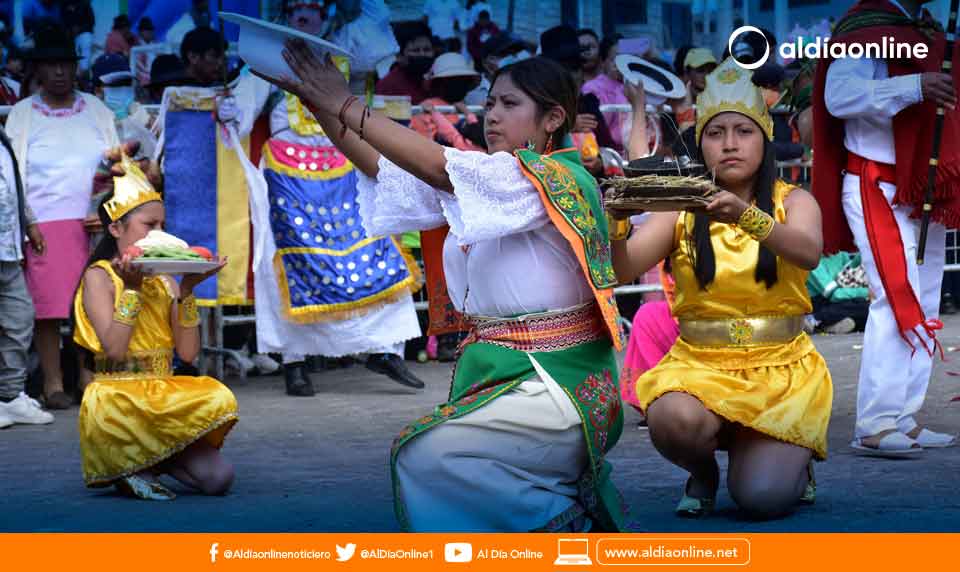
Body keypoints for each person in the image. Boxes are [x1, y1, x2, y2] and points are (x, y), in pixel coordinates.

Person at [260, 44, 628, 531]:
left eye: (509, 104)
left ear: (553, 118)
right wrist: (319, 101)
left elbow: (438, 167)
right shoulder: (497, 182)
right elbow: (383, 167)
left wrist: (343, 102)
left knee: (428, 457)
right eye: (490, 102)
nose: (492, 115)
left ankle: (568, 526)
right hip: (515, 375)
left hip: (556, 383)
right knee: (434, 461)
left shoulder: (550, 176)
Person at [612, 58, 831, 519]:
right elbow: (624, 267)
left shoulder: (795, 201)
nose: (730, 144)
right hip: (701, 367)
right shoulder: (683, 208)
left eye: (743, 131)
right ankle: (703, 471)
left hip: (779, 371)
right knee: (670, 418)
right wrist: (617, 223)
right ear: (701, 143)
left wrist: (745, 216)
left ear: (764, 138)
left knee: (760, 501)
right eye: (716, 133)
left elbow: (809, 252)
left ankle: (790, 456)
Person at [228, 0, 426, 396]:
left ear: (327, 12)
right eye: (296, 5)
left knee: (375, 249)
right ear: (285, 13)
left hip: (345, 169)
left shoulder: (347, 48)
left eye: (314, 5)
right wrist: (227, 106)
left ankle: (384, 349)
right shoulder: (270, 56)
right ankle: (294, 360)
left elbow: (378, 24)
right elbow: (240, 109)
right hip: (288, 175)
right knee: (289, 263)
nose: (304, 13)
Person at [814, 0, 958, 456]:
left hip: (921, 182)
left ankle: (903, 416)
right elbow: (839, 97)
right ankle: (875, 423)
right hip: (875, 181)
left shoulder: (925, 28)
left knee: (925, 296)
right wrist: (915, 85)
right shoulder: (865, 26)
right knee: (897, 295)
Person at [73, 152, 237, 500]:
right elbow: (115, 350)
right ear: (116, 228)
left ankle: (153, 459)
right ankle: (133, 462)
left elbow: (188, 354)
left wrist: (188, 290)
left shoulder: (165, 280)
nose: (159, 234)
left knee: (219, 479)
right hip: (119, 403)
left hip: (161, 399)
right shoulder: (99, 277)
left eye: (162, 226)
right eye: (149, 226)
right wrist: (132, 290)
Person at [6, 25, 120, 410]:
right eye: (51, 65)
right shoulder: (23, 114)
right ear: (38, 70)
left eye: (65, 64)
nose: (59, 72)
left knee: (92, 303)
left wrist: (106, 209)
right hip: (42, 224)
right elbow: (12, 172)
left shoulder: (98, 111)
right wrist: (28, 222)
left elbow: (116, 163)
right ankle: (53, 383)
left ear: (75, 68)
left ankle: (88, 378)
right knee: (48, 309)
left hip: (92, 222)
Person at [0, 113, 52, 428]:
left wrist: (30, 223)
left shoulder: (2, 136)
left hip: (7, 249)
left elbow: (12, 185)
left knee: (19, 318)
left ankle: (10, 396)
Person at [375, 21, 435, 105]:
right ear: (399, 56)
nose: (422, 54)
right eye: (415, 50)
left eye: (427, 50)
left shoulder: (440, 79)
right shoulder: (388, 86)